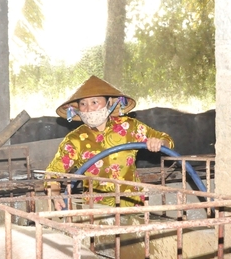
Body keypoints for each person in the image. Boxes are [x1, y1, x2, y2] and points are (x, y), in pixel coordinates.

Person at [45, 75, 174, 207]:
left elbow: (166, 140)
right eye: (83, 104)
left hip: (133, 205)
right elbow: (53, 172)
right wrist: (55, 194)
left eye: (94, 102)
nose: (88, 109)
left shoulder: (130, 127)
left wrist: (159, 143)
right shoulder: (75, 139)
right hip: (96, 211)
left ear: (109, 103)